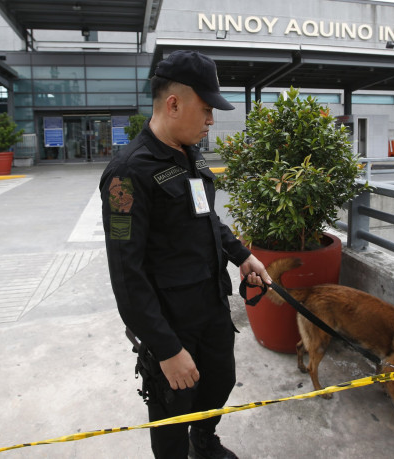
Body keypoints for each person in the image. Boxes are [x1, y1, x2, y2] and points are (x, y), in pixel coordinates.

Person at [100, 50, 271, 459]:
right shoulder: (128, 173)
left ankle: (205, 441)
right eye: (207, 108)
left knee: (219, 383)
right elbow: (127, 275)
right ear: (173, 103)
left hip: (211, 305)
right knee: (172, 410)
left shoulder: (187, 156)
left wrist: (242, 255)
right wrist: (165, 349)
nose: (211, 119)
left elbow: (206, 217)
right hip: (170, 321)